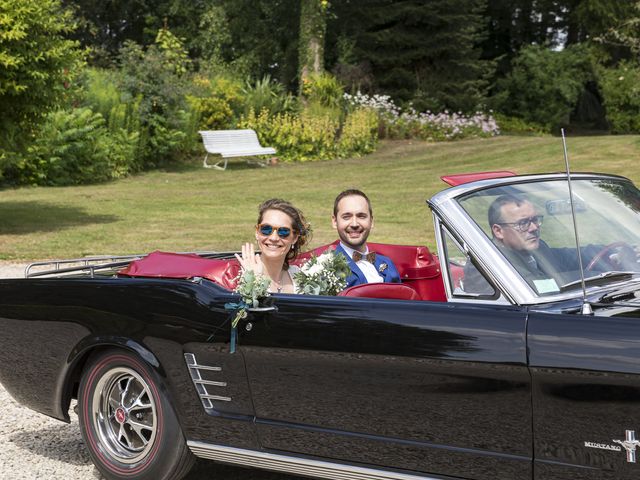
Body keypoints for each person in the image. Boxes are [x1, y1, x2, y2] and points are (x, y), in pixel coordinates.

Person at [236, 198, 311, 294]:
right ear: (257, 233)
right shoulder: (238, 275)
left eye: (283, 231)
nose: (274, 238)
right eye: (266, 229)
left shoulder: (300, 277)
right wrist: (253, 280)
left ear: (294, 238)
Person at [332, 189, 400, 288]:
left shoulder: (387, 263)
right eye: (346, 217)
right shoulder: (326, 267)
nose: (354, 224)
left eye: (361, 216)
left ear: (371, 221)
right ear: (335, 222)